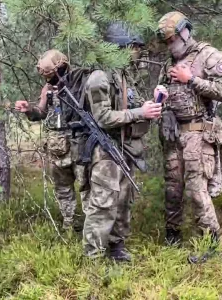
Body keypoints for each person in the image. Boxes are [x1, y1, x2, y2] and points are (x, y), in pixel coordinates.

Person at [154, 11, 222, 263]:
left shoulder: (208, 55)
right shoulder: (169, 63)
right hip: (174, 135)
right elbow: (164, 94)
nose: (170, 45)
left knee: (197, 190)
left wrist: (192, 80)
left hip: (198, 134)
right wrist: (162, 106)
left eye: (172, 40)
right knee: (172, 187)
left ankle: (210, 243)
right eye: (166, 42)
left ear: (184, 32)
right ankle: (172, 236)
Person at [82, 21, 162, 262]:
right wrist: (140, 114)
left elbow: (130, 107)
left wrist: (152, 104)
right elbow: (103, 117)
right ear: (121, 48)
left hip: (126, 148)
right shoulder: (99, 77)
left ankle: (116, 247)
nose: (138, 53)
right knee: (103, 204)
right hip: (106, 149)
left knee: (124, 201)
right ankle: (93, 257)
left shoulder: (124, 75)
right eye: (135, 47)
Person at [15, 49, 90, 231]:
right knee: (62, 187)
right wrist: (28, 110)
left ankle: (92, 224)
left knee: (87, 185)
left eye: (53, 75)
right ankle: (69, 222)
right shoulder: (48, 89)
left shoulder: (80, 84)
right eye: (47, 77)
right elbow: (40, 112)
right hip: (58, 148)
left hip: (80, 145)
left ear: (63, 66)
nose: (50, 80)